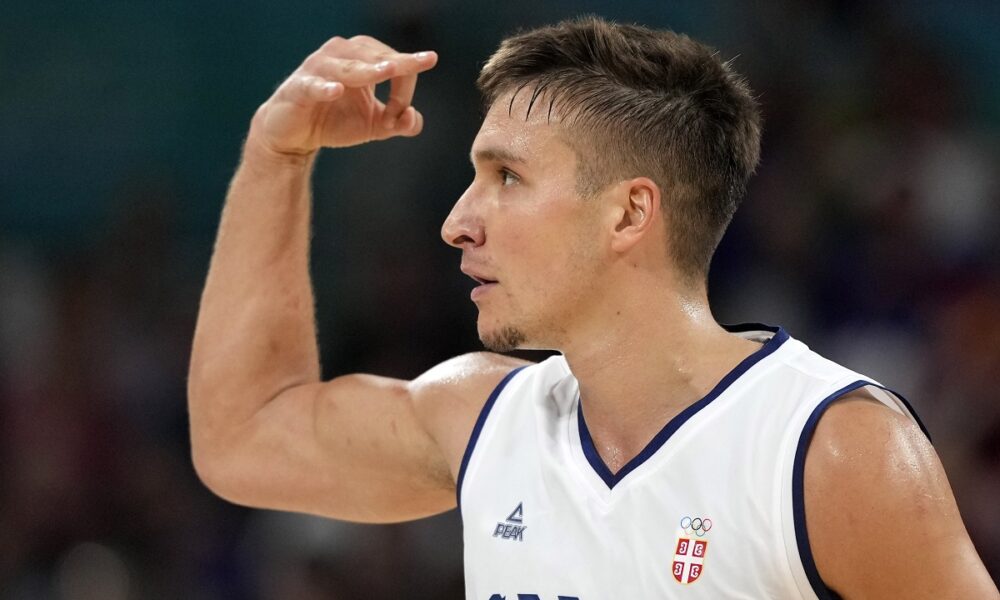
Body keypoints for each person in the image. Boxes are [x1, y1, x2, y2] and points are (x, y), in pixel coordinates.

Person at [188, 16, 998, 599]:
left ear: (628, 214)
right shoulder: (480, 419)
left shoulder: (831, 449)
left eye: (506, 178)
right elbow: (243, 435)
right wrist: (276, 154)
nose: (457, 220)